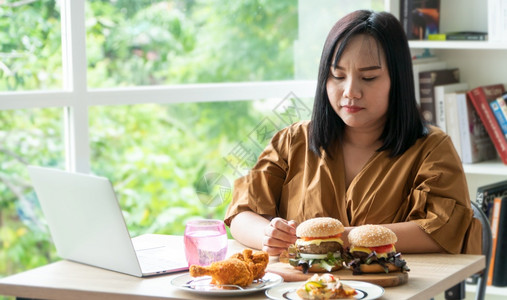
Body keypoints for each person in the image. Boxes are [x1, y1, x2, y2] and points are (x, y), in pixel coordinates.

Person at [224, 10, 481, 256]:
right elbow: (241, 213)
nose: (350, 91)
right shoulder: (292, 141)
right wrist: (268, 235)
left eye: (368, 78)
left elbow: (442, 231)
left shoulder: (431, 149)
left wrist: (338, 239)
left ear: (398, 80)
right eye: (337, 75)